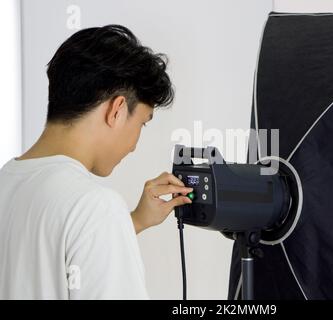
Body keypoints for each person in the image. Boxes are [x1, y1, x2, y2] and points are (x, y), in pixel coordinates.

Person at [0, 25, 193, 299]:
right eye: (142, 123)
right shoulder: (96, 207)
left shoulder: (6, 181)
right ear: (116, 110)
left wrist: (132, 223)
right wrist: (111, 223)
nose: (134, 146)